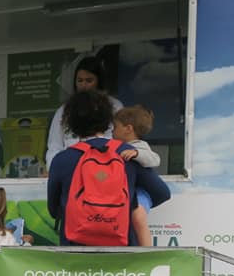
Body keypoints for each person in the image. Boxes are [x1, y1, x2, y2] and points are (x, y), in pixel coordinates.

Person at [47, 91, 171, 245]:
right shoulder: (128, 153)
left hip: (76, 251)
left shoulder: (62, 159)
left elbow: (53, 210)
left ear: (70, 122)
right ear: (108, 120)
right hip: (122, 251)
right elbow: (162, 193)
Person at [44, 56, 124, 168]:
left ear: (99, 82)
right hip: (71, 168)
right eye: (80, 80)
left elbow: (122, 141)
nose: (83, 85)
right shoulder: (64, 110)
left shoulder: (115, 107)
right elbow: (54, 147)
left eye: (89, 80)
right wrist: (54, 169)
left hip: (106, 168)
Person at [113, 105, 162, 247]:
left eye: (116, 127)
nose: (113, 131)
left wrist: (137, 154)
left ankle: (147, 252)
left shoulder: (140, 145)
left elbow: (155, 159)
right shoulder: (117, 146)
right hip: (127, 191)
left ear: (128, 129)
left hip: (141, 191)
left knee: (138, 216)